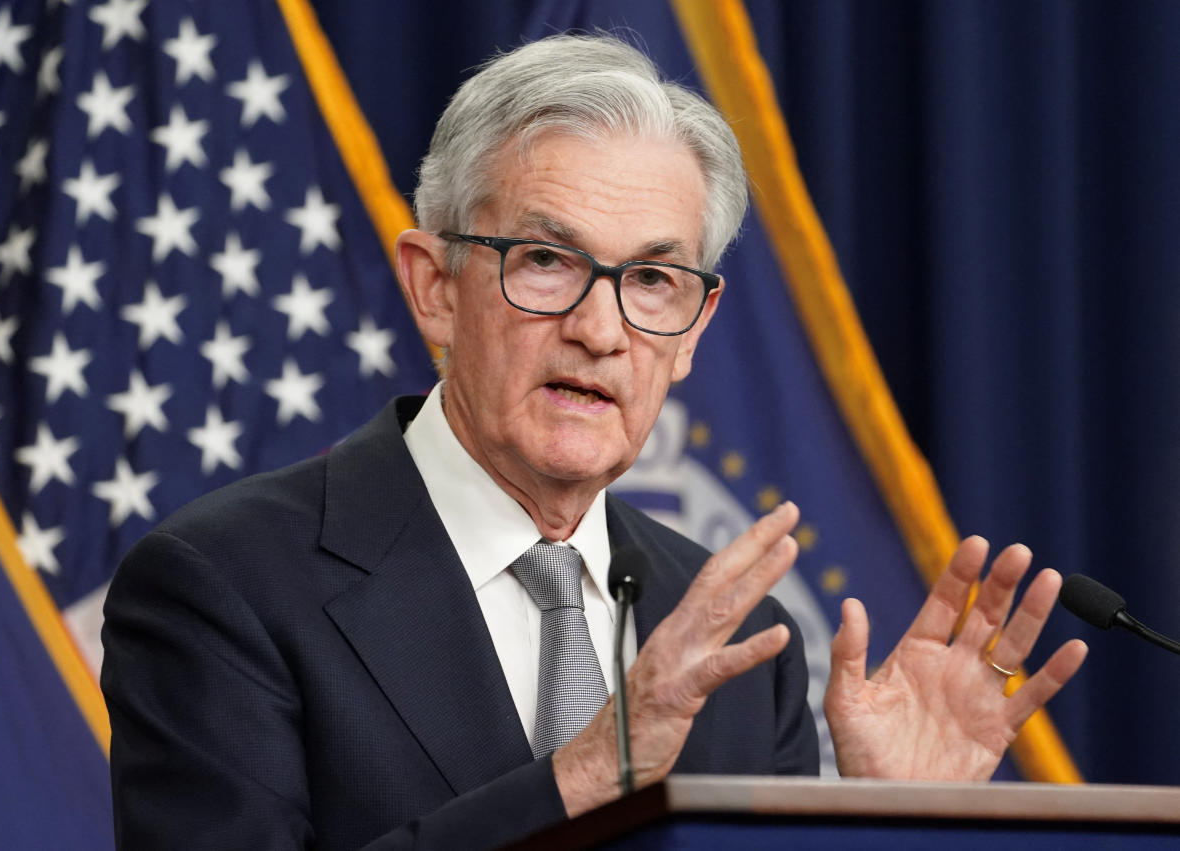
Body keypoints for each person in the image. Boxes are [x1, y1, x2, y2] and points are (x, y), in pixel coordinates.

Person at [100, 34, 1088, 849]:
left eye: (655, 281)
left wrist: (884, 828)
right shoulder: (221, 585)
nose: (602, 328)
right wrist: (577, 779)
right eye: (545, 260)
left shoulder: (741, 640)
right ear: (434, 285)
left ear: (696, 332)